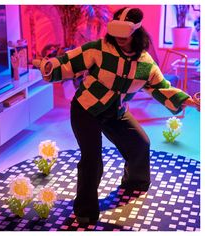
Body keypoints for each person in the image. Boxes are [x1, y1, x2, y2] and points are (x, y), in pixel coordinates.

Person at [33, 7, 200, 224]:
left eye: (125, 32)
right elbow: (68, 62)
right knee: (92, 160)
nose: (120, 38)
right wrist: (47, 66)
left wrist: (192, 102)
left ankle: (135, 183)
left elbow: (162, 89)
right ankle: (85, 211)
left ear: (136, 32)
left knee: (140, 143)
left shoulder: (146, 64)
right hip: (86, 110)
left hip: (116, 112)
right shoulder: (99, 50)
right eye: (116, 31)